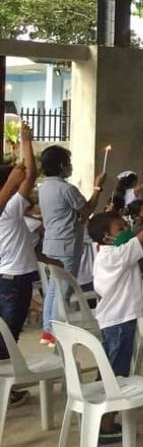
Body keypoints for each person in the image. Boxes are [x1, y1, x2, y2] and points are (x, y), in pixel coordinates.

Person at [87, 180, 143, 443]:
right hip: (120, 321)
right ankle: (107, 425)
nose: (127, 230)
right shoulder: (117, 254)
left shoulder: (105, 251)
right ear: (106, 237)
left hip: (113, 319)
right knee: (117, 372)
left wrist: (112, 215)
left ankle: (101, 418)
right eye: (120, 228)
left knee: (109, 369)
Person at [38, 145, 107, 346]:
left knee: (53, 288)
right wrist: (97, 187)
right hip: (67, 244)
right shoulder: (66, 189)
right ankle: (58, 332)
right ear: (61, 166)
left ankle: (48, 330)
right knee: (64, 290)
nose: (70, 166)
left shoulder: (44, 187)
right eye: (68, 162)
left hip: (50, 244)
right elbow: (87, 209)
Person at [0, 125, 34, 409]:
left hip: (6, 278)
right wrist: (26, 142)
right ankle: (4, 390)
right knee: (8, 335)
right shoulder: (9, 210)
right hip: (13, 281)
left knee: (5, 334)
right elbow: (30, 174)